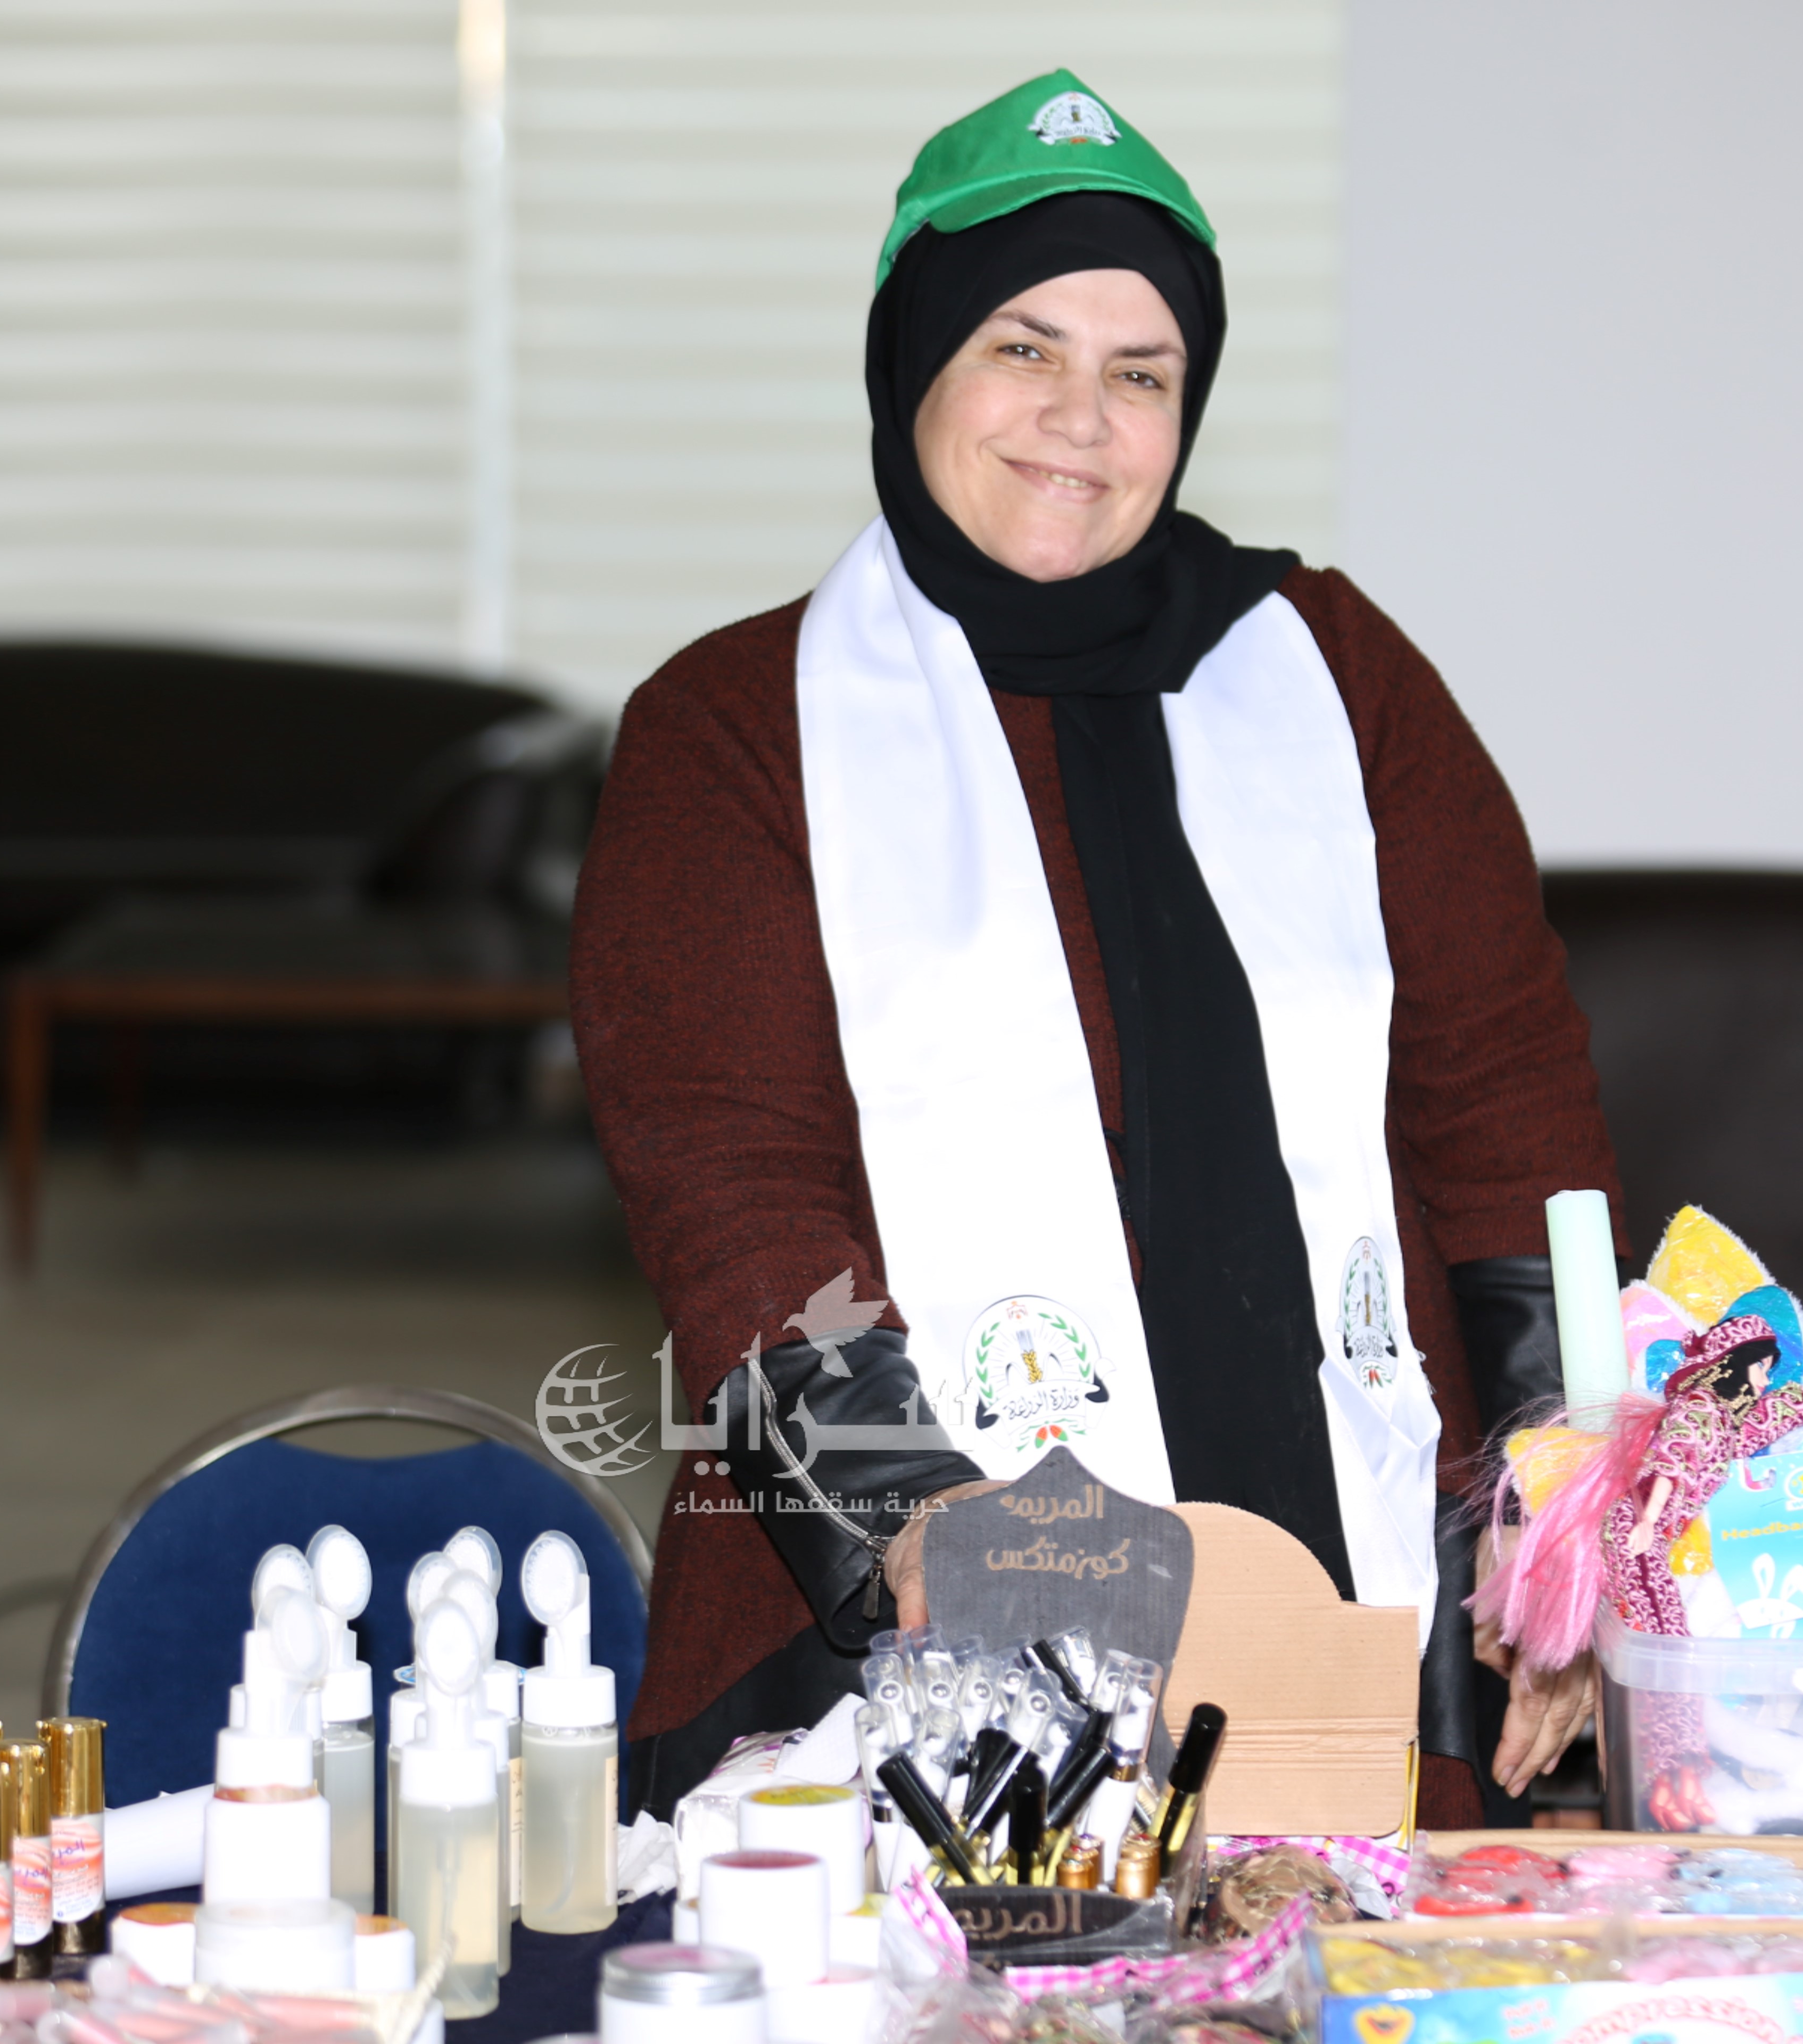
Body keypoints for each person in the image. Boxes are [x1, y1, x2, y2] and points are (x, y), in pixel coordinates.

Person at [569, 70, 1620, 1826]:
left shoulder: (1339, 672)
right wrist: (916, 1520)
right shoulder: (734, 728)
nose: (1082, 418)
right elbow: (730, 1187)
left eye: (1143, 374)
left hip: (1372, 1615)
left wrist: (1557, 1521)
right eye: (1023, 348)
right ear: (915, 360)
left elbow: (1507, 1102)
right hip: (904, 1629)